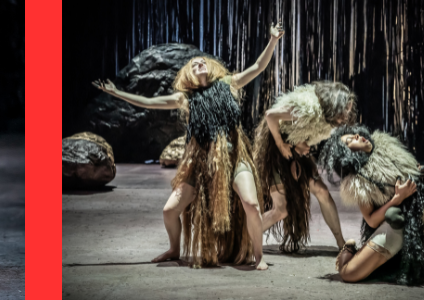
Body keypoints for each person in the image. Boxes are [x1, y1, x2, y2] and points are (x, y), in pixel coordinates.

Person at [92, 21, 285, 269]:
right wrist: (118, 93)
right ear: (188, 75)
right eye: (193, 65)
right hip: (201, 163)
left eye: (201, 61)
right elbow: (149, 102)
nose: (198, 64)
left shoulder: (228, 83)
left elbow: (258, 67)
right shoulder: (185, 98)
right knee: (169, 210)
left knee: (251, 204)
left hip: (235, 157)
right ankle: (174, 249)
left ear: (210, 66)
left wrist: (272, 40)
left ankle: (259, 257)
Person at [321, 125, 424, 285]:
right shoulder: (358, 181)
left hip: (418, 223)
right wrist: (397, 198)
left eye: (354, 134)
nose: (356, 136)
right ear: (347, 154)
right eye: (350, 140)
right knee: (349, 274)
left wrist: (418, 175)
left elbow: (413, 177)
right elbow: (371, 220)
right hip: (392, 229)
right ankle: (349, 250)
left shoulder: (390, 149)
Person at [250, 81, 356, 256]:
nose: (347, 114)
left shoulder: (325, 120)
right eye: (345, 109)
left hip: (295, 150)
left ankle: (341, 243)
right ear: (334, 104)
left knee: (321, 191)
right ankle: (245, 241)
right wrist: (281, 144)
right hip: (277, 150)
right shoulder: (306, 109)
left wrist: (301, 146)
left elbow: (304, 135)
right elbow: (270, 116)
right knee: (281, 210)